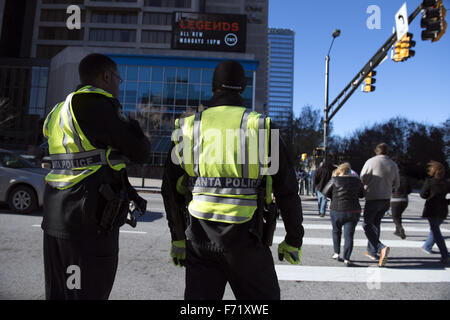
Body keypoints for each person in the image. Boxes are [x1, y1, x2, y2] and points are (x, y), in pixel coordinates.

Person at [162, 60, 304, 300]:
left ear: (213, 87)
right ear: (244, 87)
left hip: (199, 240)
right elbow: (287, 190)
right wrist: (293, 239)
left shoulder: (188, 127)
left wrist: (178, 238)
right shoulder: (262, 127)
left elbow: (170, 189)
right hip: (248, 242)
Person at [41, 53, 151, 299]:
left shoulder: (60, 110)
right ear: (106, 76)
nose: (118, 87)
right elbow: (141, 151)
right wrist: (133, 126)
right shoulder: (99, 104)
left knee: (60, 294)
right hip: (88, 224)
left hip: (55, 220)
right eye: (118, 80)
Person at [360, 143, 399, 267]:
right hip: (386, 198)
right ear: (387, 152)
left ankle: (380, 247)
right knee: (376, 224)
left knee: (366, 224)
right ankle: (372, 251)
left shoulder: (370, 162)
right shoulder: (393, 165)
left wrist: (367, 186)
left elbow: (362, 178)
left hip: (373, 197)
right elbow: (397, 184)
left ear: (376, 151)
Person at [323, 163, 364, 266]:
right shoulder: (357, 181)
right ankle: (347, 258)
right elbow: (362, 195)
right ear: (349, 171)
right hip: (353, 210)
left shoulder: (335, 180)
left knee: (336, 231)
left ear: (340, 170)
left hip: (337, 210)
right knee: (349, 235)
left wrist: (333, 197)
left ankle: (336, 253)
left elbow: (325, 192)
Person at [420, 161, 449, 264]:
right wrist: (446, 201)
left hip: (431, 209)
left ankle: (445, 254)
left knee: (436, 232)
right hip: (443, 209)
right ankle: (427, 246)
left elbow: (422, 194)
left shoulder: (429, 181)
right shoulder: (447, 182)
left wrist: (429, 196)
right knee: (435, 229)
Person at [390, 163, 412, 239]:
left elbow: (390, 189)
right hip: (405, 200)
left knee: (395, 216)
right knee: (399, 215)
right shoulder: (406, 178)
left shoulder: (393, 178)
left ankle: (400, 229)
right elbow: (409, 190)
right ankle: (397, 231)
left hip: (396, 199)